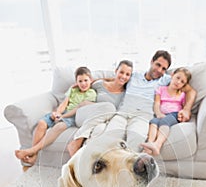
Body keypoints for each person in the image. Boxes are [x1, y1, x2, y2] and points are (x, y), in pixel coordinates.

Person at [68, 50, 196, 155]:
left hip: (142, 117)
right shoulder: (134, 75)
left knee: (136, 142)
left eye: (164, 68)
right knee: (110, 137)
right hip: (122, 114)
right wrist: (89, 82)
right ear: (151, 61)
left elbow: (191, 91)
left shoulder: (166, 79)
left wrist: (187, 109)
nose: (160, 70)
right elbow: (114, 78)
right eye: (158, 65)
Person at [15, 66, 97, 166]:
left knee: (59, 126)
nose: (83, 83)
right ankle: (34, 156)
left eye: (85, 80)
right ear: (76, 82)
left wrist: (63, 117)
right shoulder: (73, 90)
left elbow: (79, 109)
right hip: (63, 112)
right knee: (41, 123)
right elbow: (64, 103)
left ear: (90, 80)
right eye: (80, 81)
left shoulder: (91, 93)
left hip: (72, 116)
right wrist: (57, 113)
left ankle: (31, 150)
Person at [67, 60, 133, 155]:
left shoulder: (125, 94)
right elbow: (85, 86)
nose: (123, 76)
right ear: (116, 71)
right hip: (84, 115)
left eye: (127, 74)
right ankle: (77, 141)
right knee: (109, 107)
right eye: (121, 72)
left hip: (100, 122)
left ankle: (85, 158)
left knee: (100, 129)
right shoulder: (100, 84)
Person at [141, 67, 192, 156]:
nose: (178, 82)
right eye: (178, 78)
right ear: (172, 75)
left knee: (164, 121)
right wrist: (158, 114)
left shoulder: (182, 94)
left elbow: (184, 109)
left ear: (184, 85)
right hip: (161, 114)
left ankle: (157, 145)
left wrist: (184, 114)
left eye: (182, 82)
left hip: (174, 114)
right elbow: (157, 104)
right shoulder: (161, 89)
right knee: (153, 122)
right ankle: (149, 144)